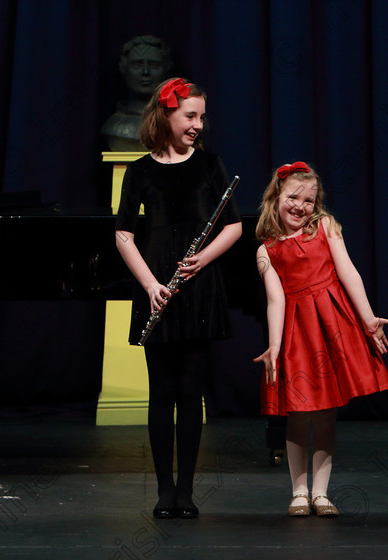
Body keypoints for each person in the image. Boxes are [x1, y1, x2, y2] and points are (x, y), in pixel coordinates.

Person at [115, 77, 242, 519]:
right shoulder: (140, 171)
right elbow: (124, 235)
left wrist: (202, 259)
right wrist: (150, 284)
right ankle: (163, 491)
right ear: (165, 115)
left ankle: (185, 491)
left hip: (197, 286)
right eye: (190, 115)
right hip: (158, 288)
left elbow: (233, 226)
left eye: (201, 117)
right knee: (160, 392)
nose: (197, 124)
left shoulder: (210, 166)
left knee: (191, 392)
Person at [253, 162, 388, 517]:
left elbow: (348, 272)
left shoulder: (326, 228)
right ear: (276, 197)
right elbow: (276, 300)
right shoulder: (267, 250)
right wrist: (274, 345)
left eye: (309, 200)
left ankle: (321, 492)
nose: (300, 206)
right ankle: (298, 491)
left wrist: (368, 319)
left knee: (327, 414)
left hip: (332, 325)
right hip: (299, 334)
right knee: (299, 414)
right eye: (293, 198)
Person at [101, 35, 173, 151]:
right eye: (137, 65)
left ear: (166, 70)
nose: (145, 72)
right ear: (124, 69)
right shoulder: (114, 126)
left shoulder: (177, 125)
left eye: (154, 65)